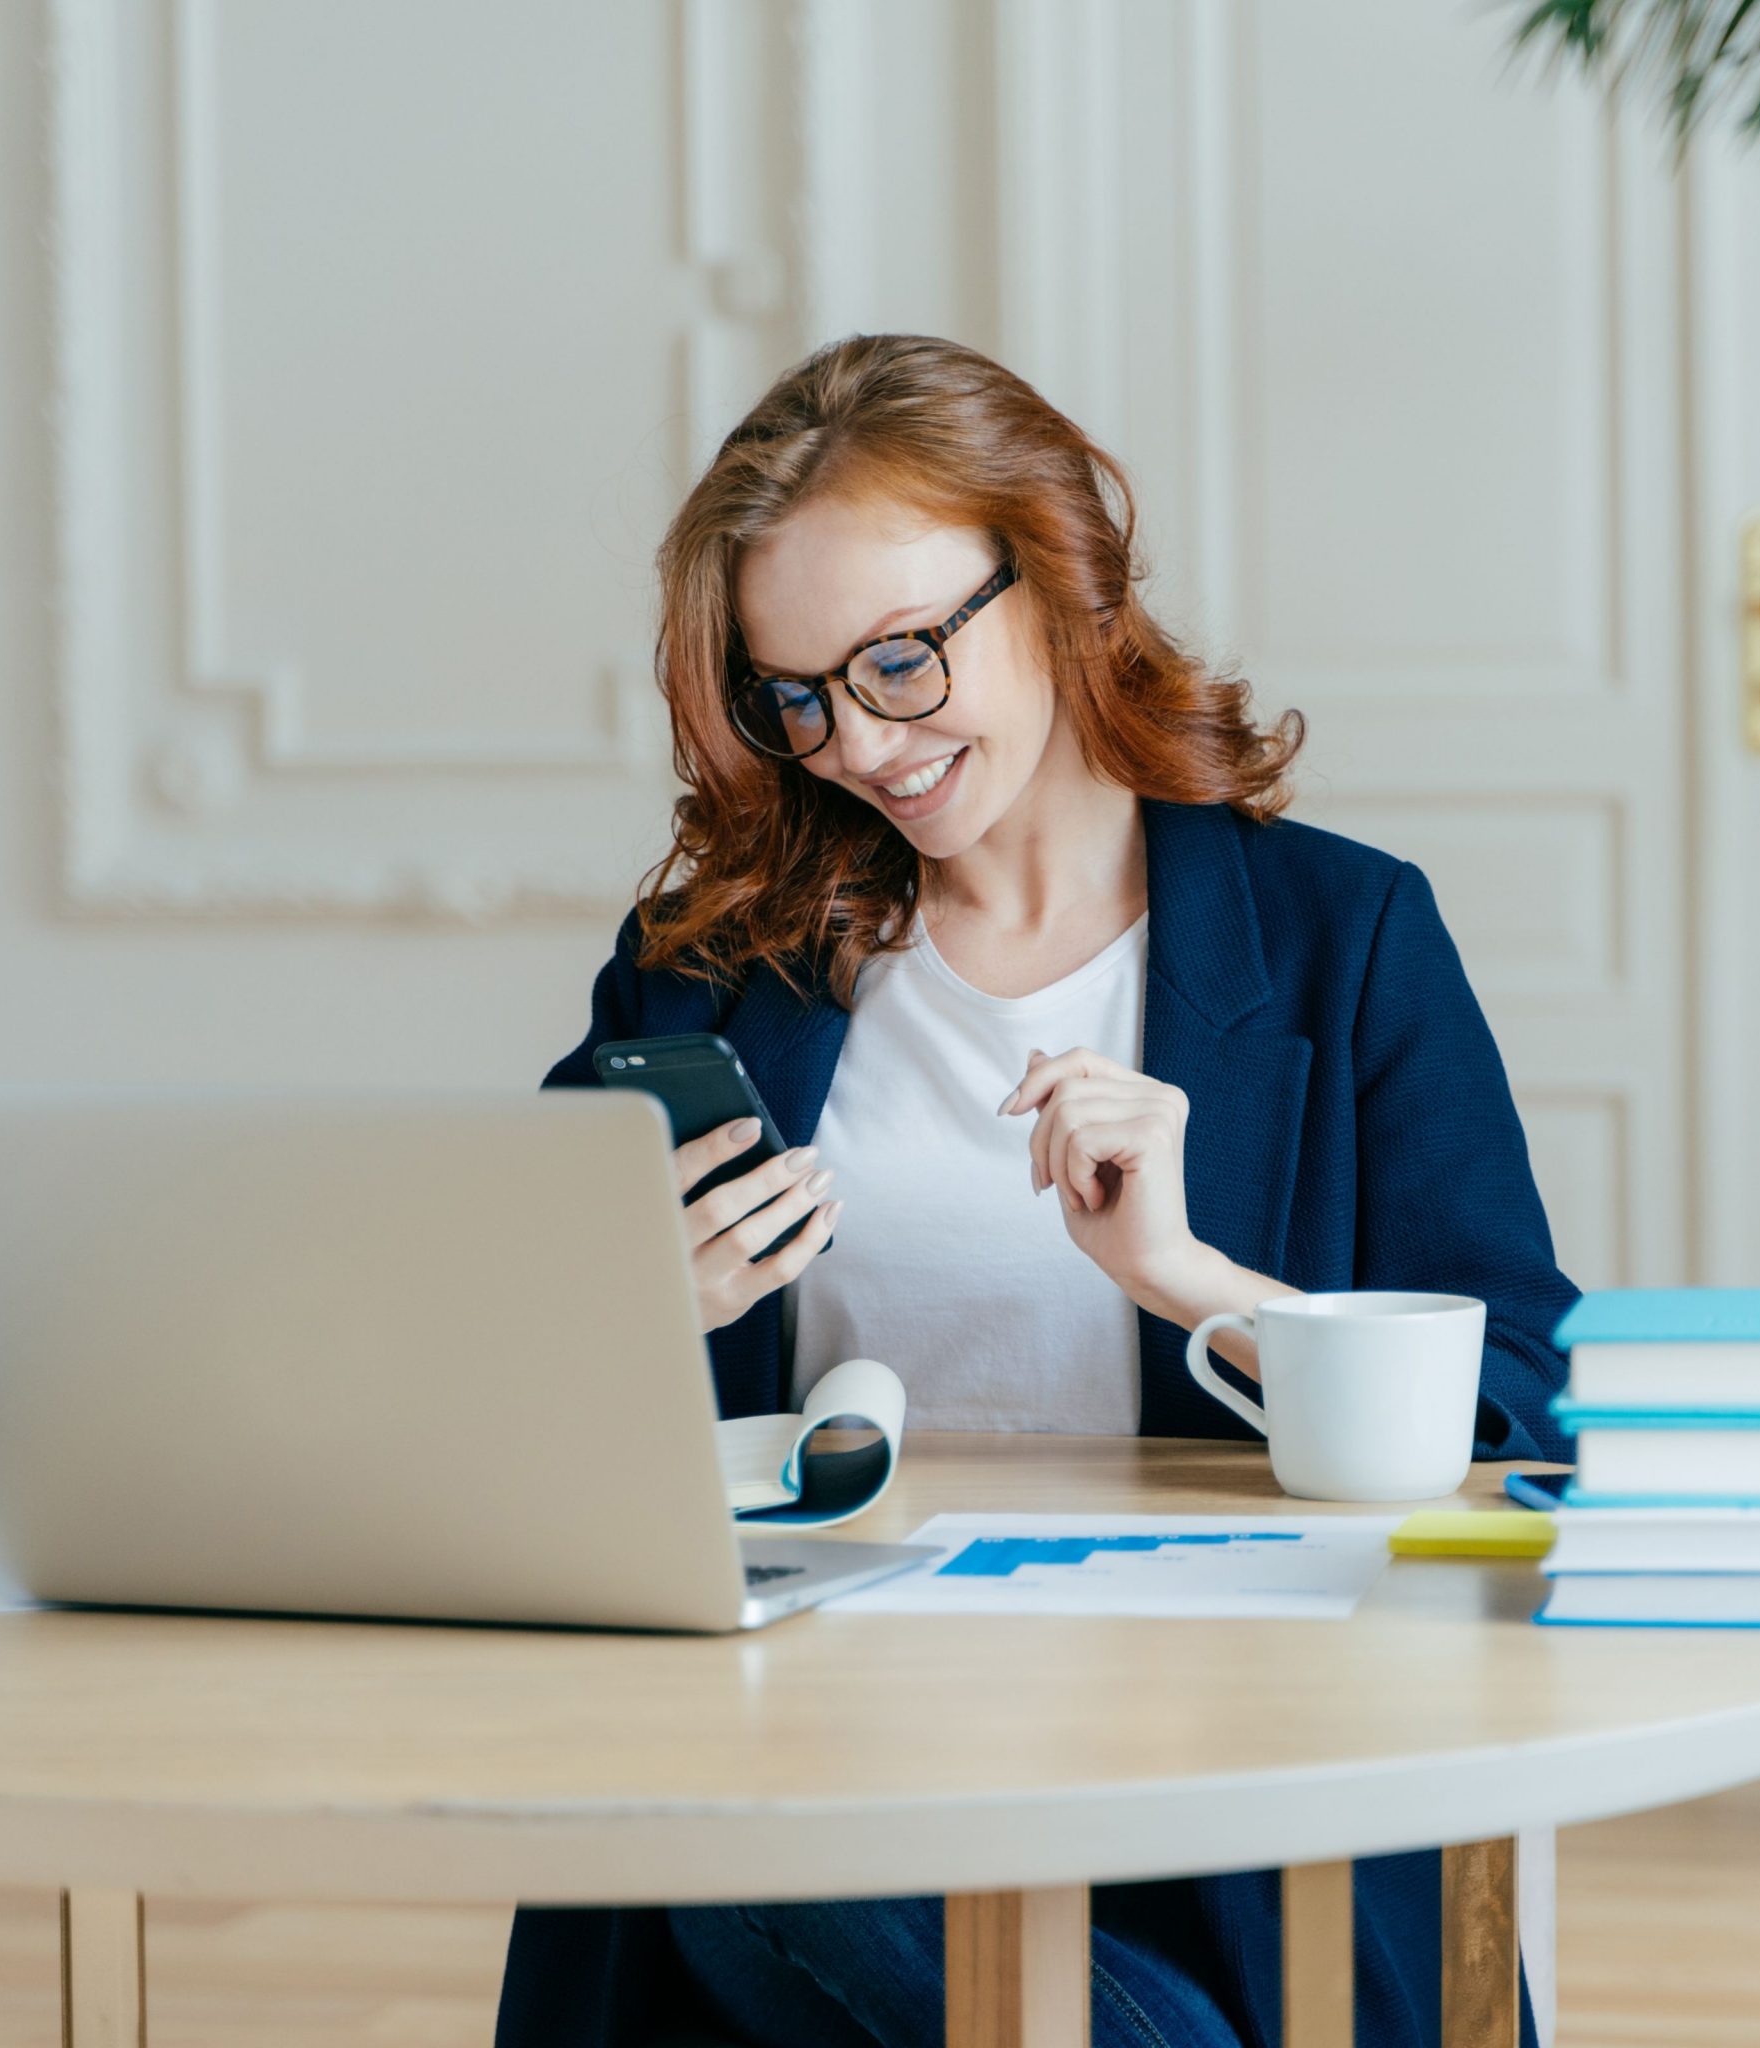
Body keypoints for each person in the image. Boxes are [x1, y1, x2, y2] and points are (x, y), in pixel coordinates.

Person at [496, 333, 1575, 2048]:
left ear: (1062, 579)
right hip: (813, 1773)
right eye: (802, 696)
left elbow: (1526, 1398)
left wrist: (1195, 1278)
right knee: (729, 1831)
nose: (861, 742)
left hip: (1220, 1790)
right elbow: (488, 1386)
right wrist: (642, 1313)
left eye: (904, 660)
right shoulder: (709, 972)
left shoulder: (1339, 941)